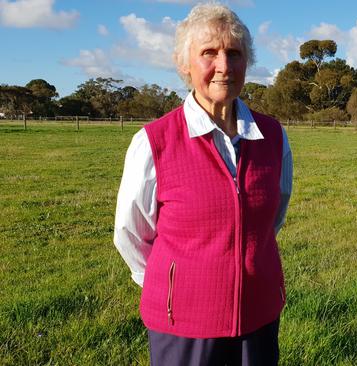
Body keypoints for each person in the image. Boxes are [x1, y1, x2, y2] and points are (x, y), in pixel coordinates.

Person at [113, 3, 292, 365]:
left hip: (259, 316)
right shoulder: (153, 142)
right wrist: (173, 288)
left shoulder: (273, 136)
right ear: (185, 64)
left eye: (235, 53)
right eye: (209, 52)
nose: (224, 66)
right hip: (184, 326)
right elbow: (130, 233)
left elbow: (274, 213)